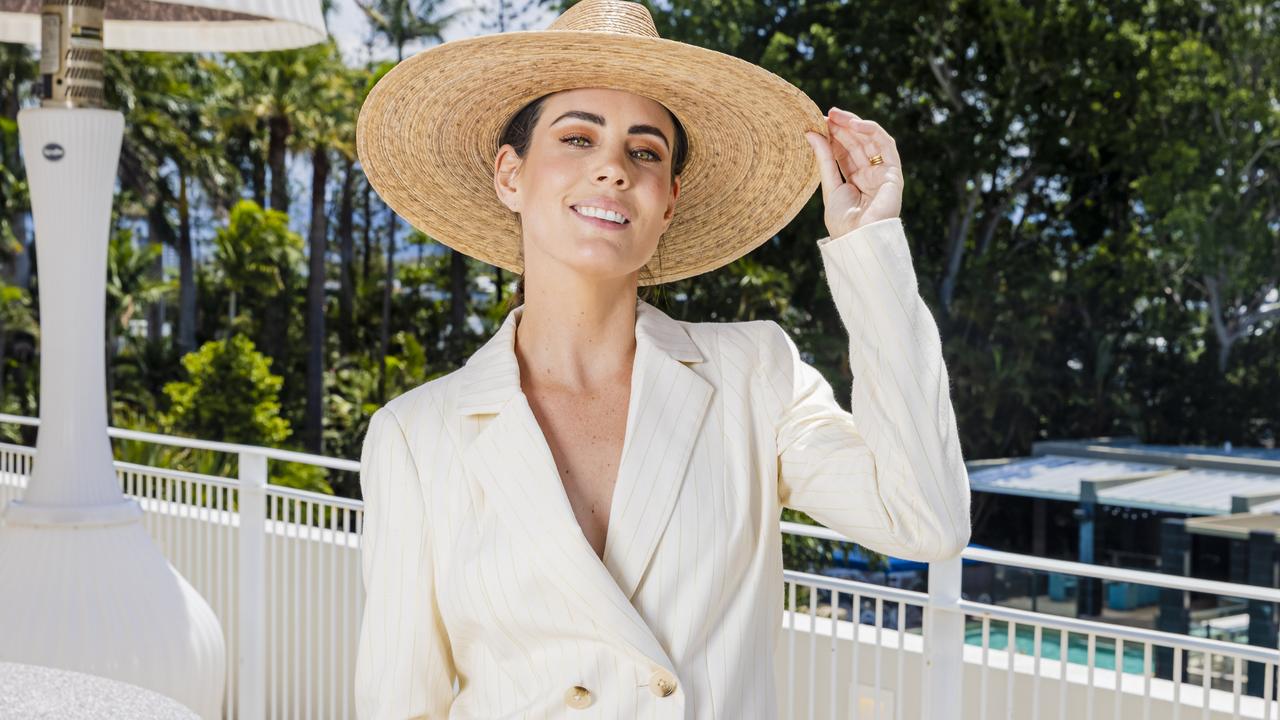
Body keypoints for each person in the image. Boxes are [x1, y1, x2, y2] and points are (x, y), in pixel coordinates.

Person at [353, 0, 971, 717]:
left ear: (669, 199)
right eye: (578, 138)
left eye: (645, 151)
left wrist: (870, 247)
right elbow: (399, 701)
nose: (613, 168)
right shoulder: (416, 435)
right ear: (510, 175)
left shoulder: (754, 376)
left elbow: (927, 522)